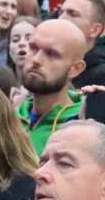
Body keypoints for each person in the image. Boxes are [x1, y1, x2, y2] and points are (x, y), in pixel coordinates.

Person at [16, 19, 86, 154]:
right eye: (33, 48)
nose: (36, 60)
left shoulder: (83, 124)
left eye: (51, 54)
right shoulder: (8, 120)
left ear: (76, 69)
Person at [56, 0, 105, 89]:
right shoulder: (51, 65)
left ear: (95, 30)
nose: (61, 18)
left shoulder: (103, 76)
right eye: (60, 13)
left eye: (73, 14)